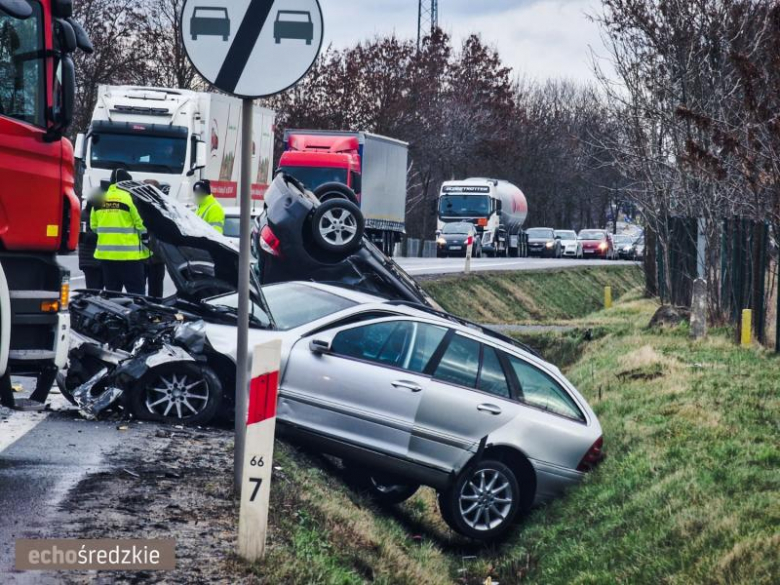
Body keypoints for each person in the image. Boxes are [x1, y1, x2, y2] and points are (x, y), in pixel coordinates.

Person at [91, 169, 150, 294]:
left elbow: (94, 226)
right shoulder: (130, 199)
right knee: (136, 294)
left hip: (106, 256)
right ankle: (135, 314)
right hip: (129, 256)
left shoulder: (98, 199)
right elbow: (142, 225)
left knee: (112, 294)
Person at [142, 179, 167, 298]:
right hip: (140, 256)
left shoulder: (163, 208)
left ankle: (156, 317)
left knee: (156, 294)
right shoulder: (137, 205)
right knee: (138, 294)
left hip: (157, 258)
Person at [78, 187, 106, 290]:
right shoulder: (85, 215)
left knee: (97, 290)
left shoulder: (98, 214)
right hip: (90, 260)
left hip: (98, 260)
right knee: (93, 290)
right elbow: (84, 237)